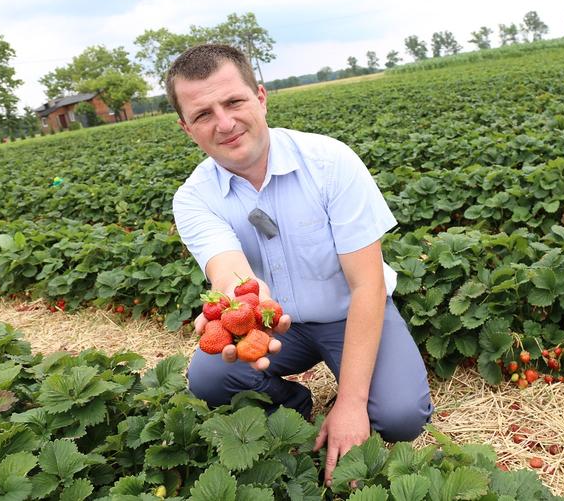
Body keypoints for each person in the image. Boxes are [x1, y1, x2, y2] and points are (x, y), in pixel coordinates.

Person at [168, 44, 433, 485]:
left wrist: (349, 402)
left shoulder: (330, 163)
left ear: (261, 96)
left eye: (233, 102)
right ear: (186, 128)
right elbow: (228, 268)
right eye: (203, 114)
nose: (225, 123)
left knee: (403, 417)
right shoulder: (194, 197)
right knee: (209, 377)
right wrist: (247, 303)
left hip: (351, 313)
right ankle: (293, 403)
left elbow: (367, 285)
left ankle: (354, 395)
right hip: (276, 329)